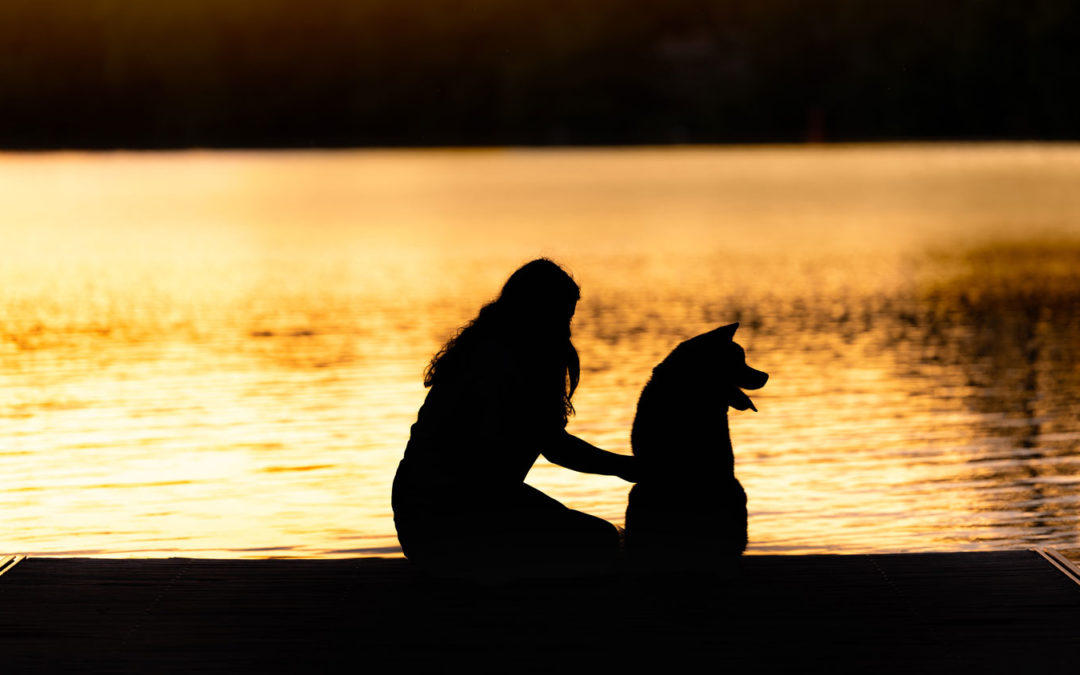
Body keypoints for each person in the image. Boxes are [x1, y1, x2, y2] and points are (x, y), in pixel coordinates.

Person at [392, 258, 638, 579]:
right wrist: (627, 468)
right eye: (560, 314)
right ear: (534, 310)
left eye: (569, 316)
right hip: (444, 519)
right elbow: (553, 447)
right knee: (599, 542)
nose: (565, 326)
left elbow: (544, 445)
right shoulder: (497, 361)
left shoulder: (499, 350)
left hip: (442, 514)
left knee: (598, 539)